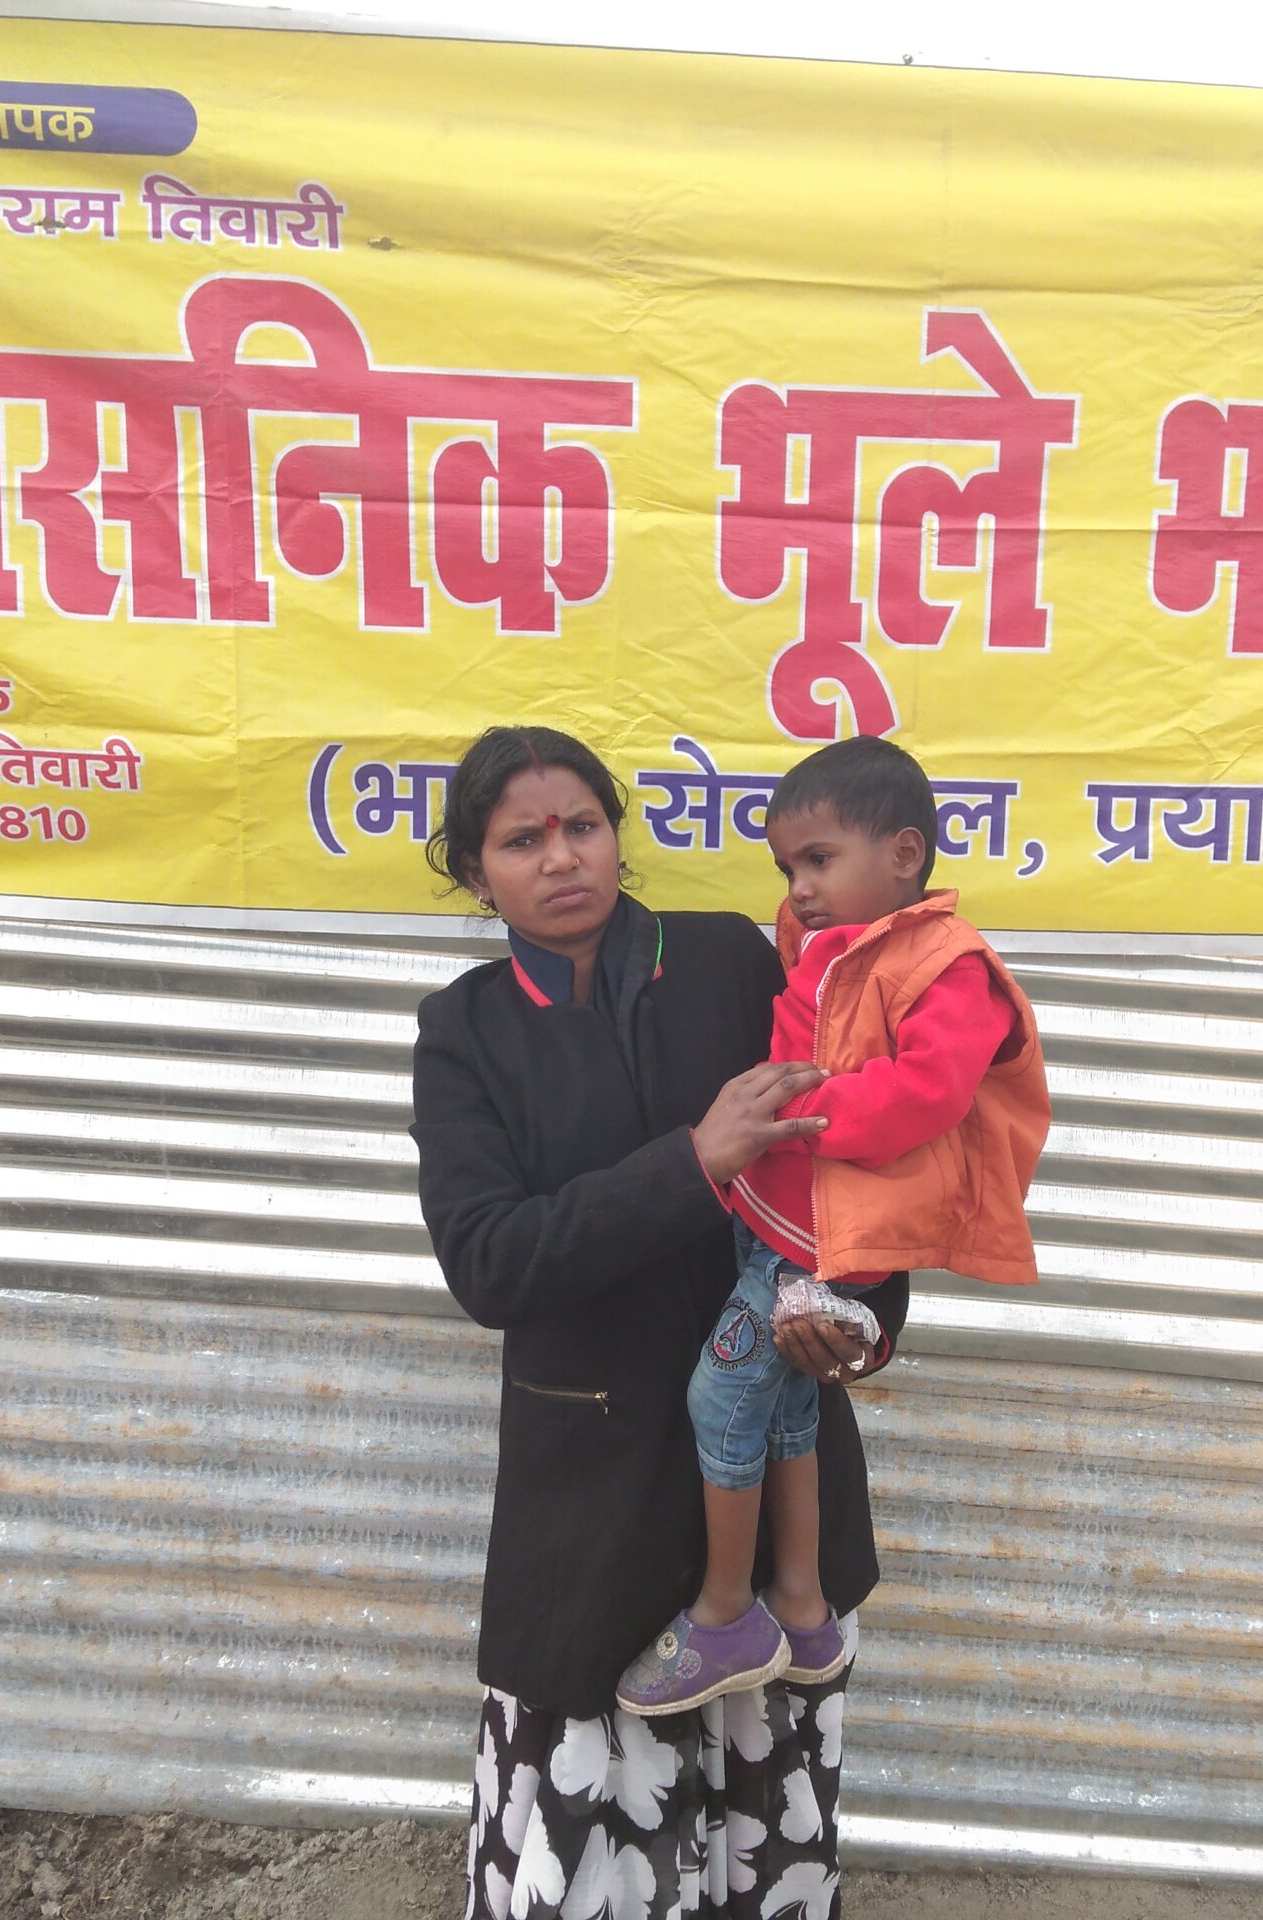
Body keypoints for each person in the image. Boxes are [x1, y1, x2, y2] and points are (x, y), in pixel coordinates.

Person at [410, 724, 906, 1920]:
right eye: (520, 841)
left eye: (581, 826)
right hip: (592, 1493)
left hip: (773, 1460)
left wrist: (858, 1316)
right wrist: (693, 1162)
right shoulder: (466, 1030)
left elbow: (860, 1147)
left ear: (615, 837)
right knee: (585, 1837)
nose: (560, 857)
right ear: (477, 874)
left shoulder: (732, 960)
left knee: (766, 1835)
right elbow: (489, 1264)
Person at [615, 735, 1050, 1717]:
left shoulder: (951, 967)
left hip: (824, 1245)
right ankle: (805, 1609)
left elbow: (929, 1092)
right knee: (784, 1412)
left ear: (904, 854)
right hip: (777, 1219)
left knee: (720, 1401)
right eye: (786, 868)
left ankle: (727, 1613)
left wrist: (797, 1112)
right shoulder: (834, 943)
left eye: (818, 860)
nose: (798, 888)